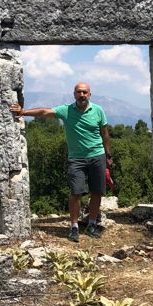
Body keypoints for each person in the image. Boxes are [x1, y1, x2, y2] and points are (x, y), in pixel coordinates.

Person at [10, 82, 112, 241]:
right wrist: (23, 112)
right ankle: (74, 227)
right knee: (76, 192)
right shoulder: (67, 110)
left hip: (97, 155)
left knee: (97, 191)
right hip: (76, 158)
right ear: (74, 94)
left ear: (90, 94)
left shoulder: (98, 110)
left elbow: (105, 134)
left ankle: (92, 224)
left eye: (85, 92)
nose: (82, 95)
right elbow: (44, 112)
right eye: (79, 92)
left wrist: (109, 155)